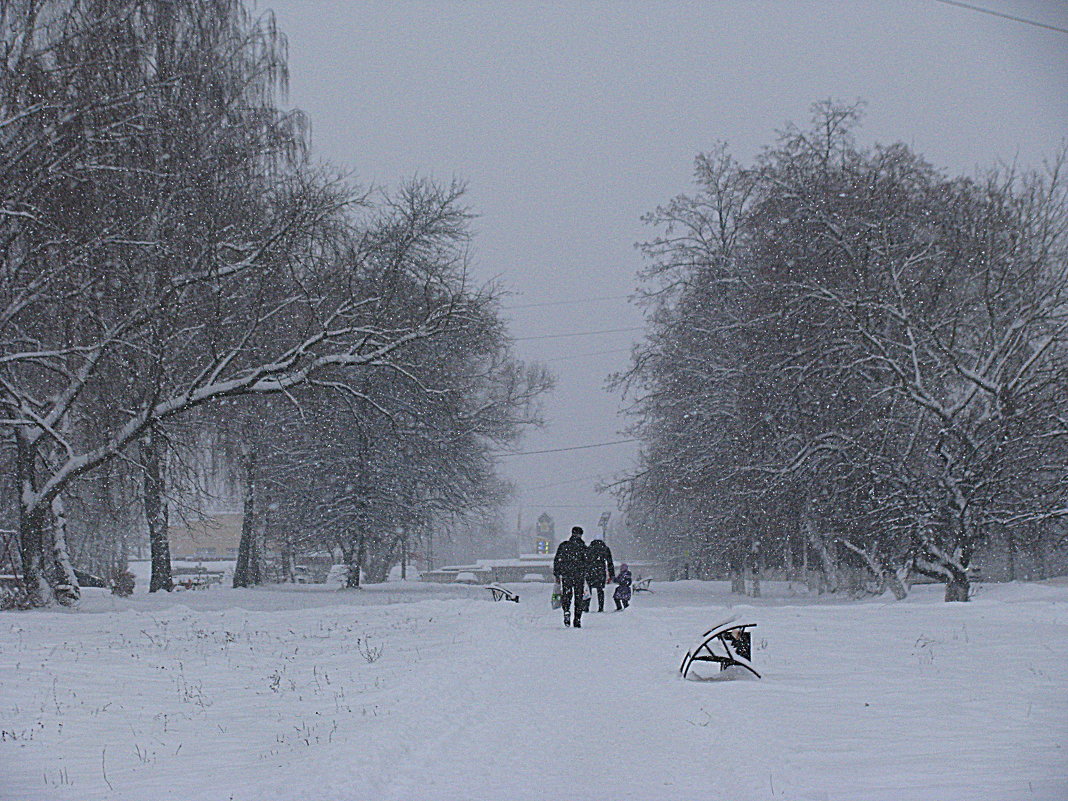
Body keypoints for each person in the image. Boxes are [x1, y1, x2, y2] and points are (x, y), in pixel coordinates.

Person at [553, 526, 589, 628]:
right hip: (579, 576)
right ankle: (577, 619)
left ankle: (566, 611)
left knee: (567, 595)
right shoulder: (583, 547)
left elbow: (557, 560)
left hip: (567, 575)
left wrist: (557, 574)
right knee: (579, 597)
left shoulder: (564, 546)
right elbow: (587, 563)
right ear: (580, 535)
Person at [585, 538, 615, 612]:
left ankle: (586, 606)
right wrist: (611, 575)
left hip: (590, 572)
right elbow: (610, 563)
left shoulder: (589, 549)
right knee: (600, 590)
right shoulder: (605, 549)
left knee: (588, 590)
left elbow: (584, 561)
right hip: (600, 572)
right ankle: (601, 607)